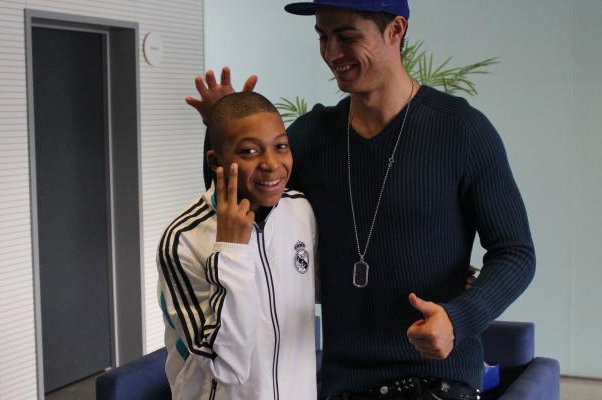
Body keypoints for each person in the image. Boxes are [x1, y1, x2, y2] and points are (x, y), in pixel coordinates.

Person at [187, 1, 535, 398]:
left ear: (396, 30)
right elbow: (243, 212)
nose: (331, 52)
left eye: (347, 36)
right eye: (323, 36)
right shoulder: (312, 135)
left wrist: (458, 320)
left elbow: (515, 252)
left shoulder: (461, 131)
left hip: (436, 379)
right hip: (342, 384)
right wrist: (225, 131)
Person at [158, 92, 317, 400]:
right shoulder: (183, 239)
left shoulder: (300, 210)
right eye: (249, 151)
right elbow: (225, 365)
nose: (271, 163)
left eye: (281, 146)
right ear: (215, 161)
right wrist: (231, 251)